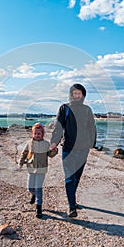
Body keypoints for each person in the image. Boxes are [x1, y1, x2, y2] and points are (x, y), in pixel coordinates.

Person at [50, 83, 96, 218]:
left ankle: (72, 200)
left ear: (83, 95)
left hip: (83, 148)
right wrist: (54, 142)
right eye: (74, 93)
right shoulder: (64, 108)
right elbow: (58, 127)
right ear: (71, 94)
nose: (77, 95)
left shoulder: (87, 109)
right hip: (68, 148)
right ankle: (71, 207)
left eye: (79, 93)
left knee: (77, 177)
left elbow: (91, 127)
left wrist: (92, 143)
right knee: (70, 177)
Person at [18, 122, 58, 218]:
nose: (37, 135)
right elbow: (24, 153)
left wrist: (54, 151)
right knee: (30, 188)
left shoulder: (46, 144)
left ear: (42, 134)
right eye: (35, 133)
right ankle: (33, 195)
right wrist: (20, 162)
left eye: (39, 134)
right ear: (32, 134)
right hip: (31, 168)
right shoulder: (29, 143)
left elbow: (50, 155)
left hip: (42, 169)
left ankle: (38, 207)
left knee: (38, 188)